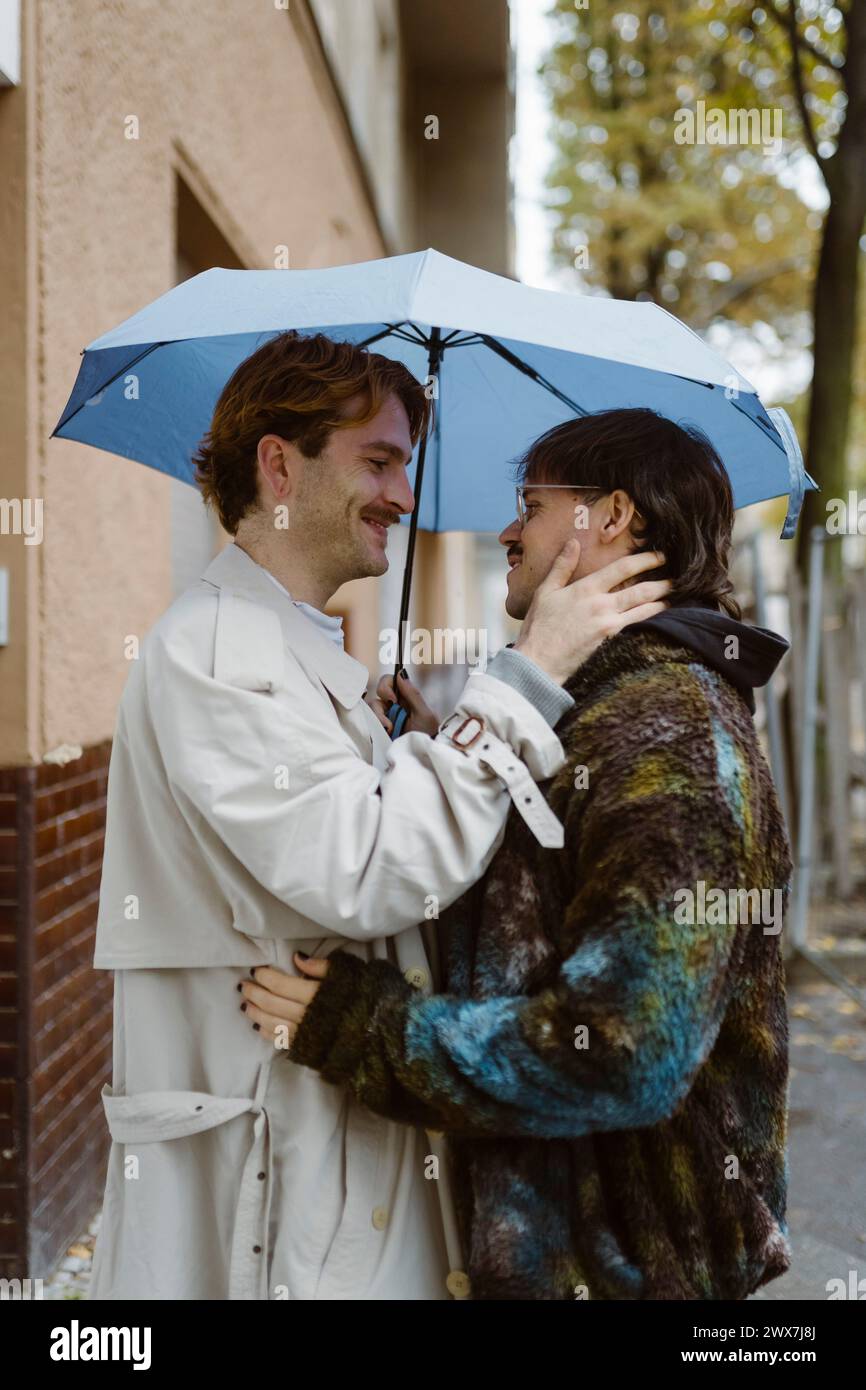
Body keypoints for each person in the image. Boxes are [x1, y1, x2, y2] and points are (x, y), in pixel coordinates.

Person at [88, 334, 669, 1300]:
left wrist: (416, 745)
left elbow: (361, 829)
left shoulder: (289, 645)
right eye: (379, 461)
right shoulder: (219, 651)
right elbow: (362, 870)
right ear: (280, 464)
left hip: (334, 1153)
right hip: (270, 1183)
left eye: (404, 465)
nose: (403, 496)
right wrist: (523, 680)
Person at [242, 406, 794, 1301]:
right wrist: (443, 752)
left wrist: (367, 1029)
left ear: (608, 517)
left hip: (632, 1269)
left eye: (530, 504)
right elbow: (531, 913)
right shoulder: (603, 709)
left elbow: (623, 1050)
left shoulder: (670, 732)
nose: (507, 529)